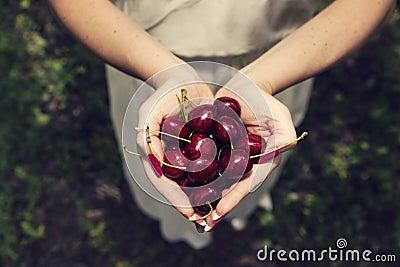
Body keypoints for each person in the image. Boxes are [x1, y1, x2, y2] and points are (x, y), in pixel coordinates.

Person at [48, 0, 395, 249]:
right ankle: (180, 229)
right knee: (163, 160)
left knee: (246, 167)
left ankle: (235, 214)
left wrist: (264, 81)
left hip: (280, 58)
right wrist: (165, 73)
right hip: (147, 56)